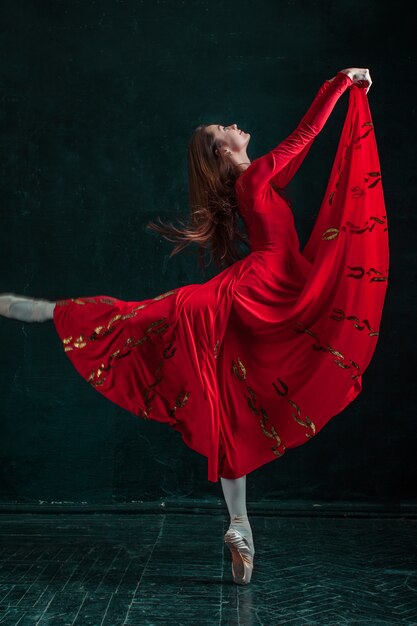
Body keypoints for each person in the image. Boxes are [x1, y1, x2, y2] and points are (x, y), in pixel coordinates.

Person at [0, 67, 388, 586]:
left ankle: (241, 526)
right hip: (255, 292)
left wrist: (343, 88)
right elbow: (305, 135)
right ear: (223, 154)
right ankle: (45, 311)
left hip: (254, 292)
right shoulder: (254, 178)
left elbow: (303, 147)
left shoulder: (260, 181)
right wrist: (341, 81)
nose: (231, 125)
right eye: (220, 131)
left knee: (223, 394)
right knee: (148, 330)